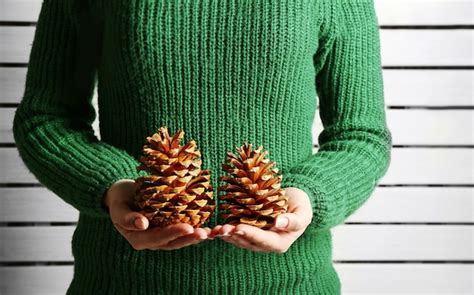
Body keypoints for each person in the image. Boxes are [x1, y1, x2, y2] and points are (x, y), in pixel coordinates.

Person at [12, 0, 392, 294]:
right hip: (121, 281)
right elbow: (46, 118)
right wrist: (115, 187)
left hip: (291, 284)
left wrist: (308, 196)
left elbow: (360, 135)